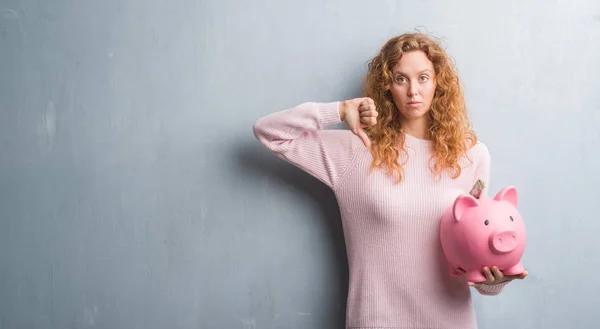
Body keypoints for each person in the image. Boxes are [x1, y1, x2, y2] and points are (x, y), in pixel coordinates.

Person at [252, 32, 527, 329]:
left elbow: (473, 257)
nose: (413, 91)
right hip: (377, 320)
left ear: (438, 83)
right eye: (401, 79)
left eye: (423, 77)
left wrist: (494, 281)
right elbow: (269, 131)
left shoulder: (473, 156)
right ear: (387, 87)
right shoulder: (356, 151)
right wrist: (339, 110)